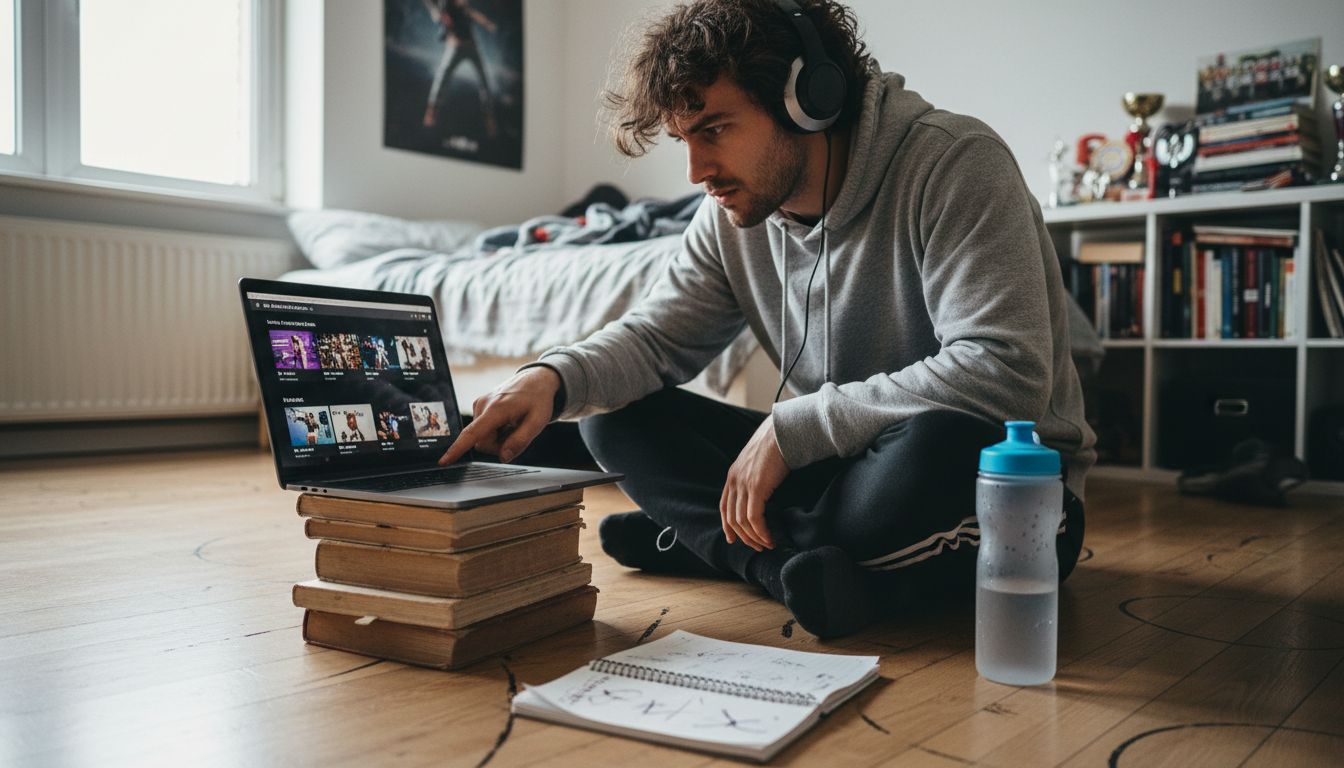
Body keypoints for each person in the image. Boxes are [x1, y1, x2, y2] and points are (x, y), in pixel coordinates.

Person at [439, 0, 1095, 638]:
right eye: (683, 142)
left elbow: (1003, 375)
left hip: (1009, 487)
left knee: (929, 455)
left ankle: (704, 537)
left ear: (808, 99)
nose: (697, 172)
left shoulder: (955, 163)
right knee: (612, 414)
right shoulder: (728, 215)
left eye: (715, 130)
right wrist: (552, 378)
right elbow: (654, 340)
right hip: (840, 468)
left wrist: (793, 428)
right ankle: (775, 562)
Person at [421, 0, 499, 138]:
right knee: (442, 77)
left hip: (471, 46)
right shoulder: (445, 7)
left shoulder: (464, 8)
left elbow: (474, 14)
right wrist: (447, 29)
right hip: (455, 47)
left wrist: (487, 23)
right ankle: (431, 110)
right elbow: (437, 14)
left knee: (484, 81)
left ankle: (489, 116)